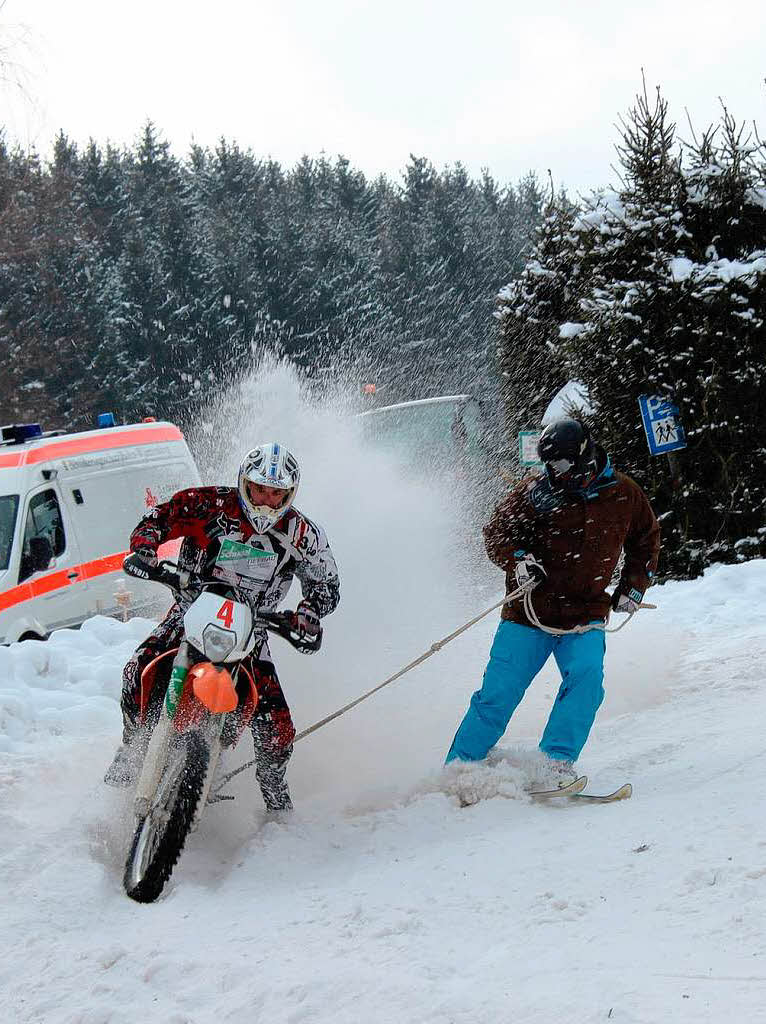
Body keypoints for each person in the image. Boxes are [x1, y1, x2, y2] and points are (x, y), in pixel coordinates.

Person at [105, 442, 340, 812]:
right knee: (136, 672)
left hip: (252, 631)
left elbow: (326, 583)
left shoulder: (303, 534)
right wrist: (145, 549)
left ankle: (276, 802)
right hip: (189, 612)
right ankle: (131, 746)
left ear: (290, 495)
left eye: (276, 494)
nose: (266, 501)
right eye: (259, 490)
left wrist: (308, 612)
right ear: (244, 484)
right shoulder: (207, 504)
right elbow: (159, 518)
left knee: (278, 729)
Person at [445, 417, 660, 784]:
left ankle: (556, 764)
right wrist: (519, 559)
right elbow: (495, 533)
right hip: (529, 615)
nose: (554, 472)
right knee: (498, 694)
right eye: (548, 464)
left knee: (587, 681)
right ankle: (460, 767)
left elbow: (646, 538)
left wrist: (633, 586)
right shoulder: (534, 493)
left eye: (560, 463)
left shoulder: (623, 494)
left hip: (586, 612)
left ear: (583, 456)